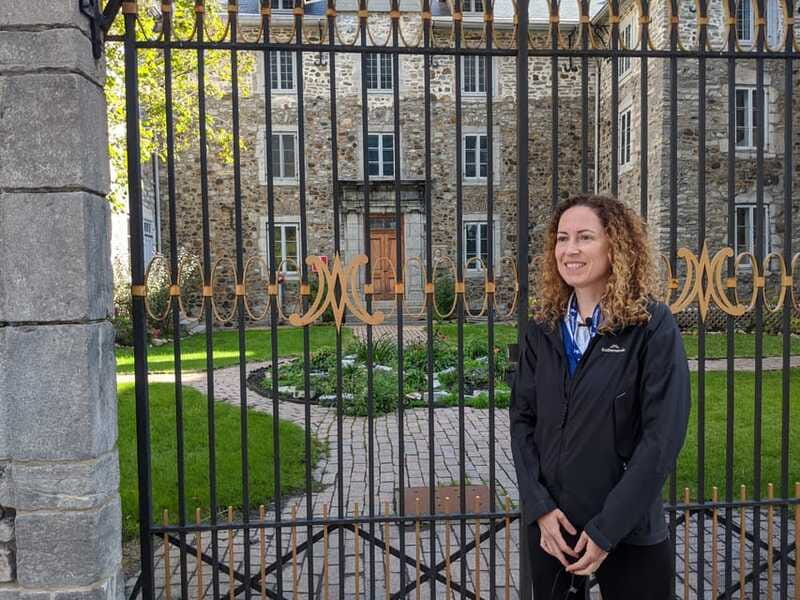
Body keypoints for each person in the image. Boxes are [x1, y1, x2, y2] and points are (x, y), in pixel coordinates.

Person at [510, 194, 690, 599]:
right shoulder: (543, 330)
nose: (570, 250)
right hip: (556, 529)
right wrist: (539, 508)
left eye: (585, 237)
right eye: (562, 238)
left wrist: (608, 528)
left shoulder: (650, 326)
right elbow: (522, 422)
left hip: (627, 529)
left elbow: (662, 438)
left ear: (615, 246)